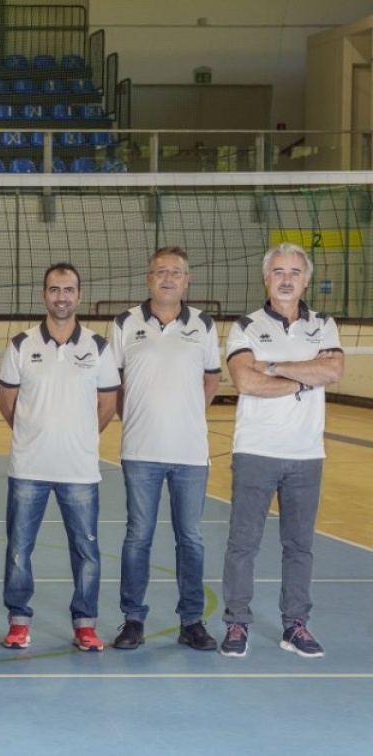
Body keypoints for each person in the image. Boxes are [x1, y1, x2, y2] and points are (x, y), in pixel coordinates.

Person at [220, 242, 342, 659]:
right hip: (255, 451)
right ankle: (237, 621)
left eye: (294, 272)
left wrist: (272, 367)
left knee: (299, 546)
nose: (286, 279)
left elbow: (333, 370)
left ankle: (296, 625)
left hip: (307, 455)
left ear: (306, 280)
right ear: (265, 278)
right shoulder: (245, 327)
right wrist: (306, 377)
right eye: (278, 272)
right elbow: (245, 382)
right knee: (243, 544)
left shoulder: (324, 325)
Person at [0, 263, 118, 652]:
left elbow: (107, 405)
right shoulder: (21, 344)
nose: (61, 297)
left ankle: (85, 624)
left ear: (78, 296)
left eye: (68, 290)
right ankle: (19, 621)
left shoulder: (98, 347)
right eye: (54, 290)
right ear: (44, 295)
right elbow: (7, 404)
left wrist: (79, 437)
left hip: (79, 470)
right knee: (19, 550)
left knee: (87, 552)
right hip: (28, 468)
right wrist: (35, 433)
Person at [108, 247, 222, 651]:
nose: (168, 278)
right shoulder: (125, 323)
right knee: (138, 537)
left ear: (186, 280)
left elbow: (212, 378)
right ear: (149, 278)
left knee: (190, 539)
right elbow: (113, 382)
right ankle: (132, 620)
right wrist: (135, 416)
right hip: (141, 452)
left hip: (190, 455)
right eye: (161, 271)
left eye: (176, 272)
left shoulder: (203, 325)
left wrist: (188, 414)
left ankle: (191, 622)